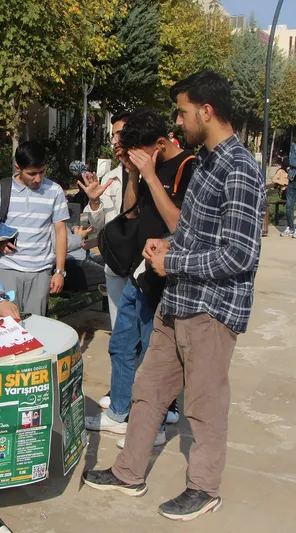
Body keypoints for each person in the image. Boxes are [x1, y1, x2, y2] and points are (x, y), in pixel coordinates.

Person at [82, 70, 266, 522]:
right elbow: (194, 229)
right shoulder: (205, 162)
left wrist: (175, 262)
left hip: (211, 311)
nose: (178, 122)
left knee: (203, 406)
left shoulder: (240, 168)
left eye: (183, 112)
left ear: (206, 110)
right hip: (177, 303)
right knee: (147, 390)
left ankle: (203, 488)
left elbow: (240, 255)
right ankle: (129, 473)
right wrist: (170, 245)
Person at [84, 109, 194, 438]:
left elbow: (178, 223)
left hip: (165, 279)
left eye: (139, 152)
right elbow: (132, 215)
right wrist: (135, 173)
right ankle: (119, 412)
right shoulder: (147, 167)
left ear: (160, 143)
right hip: (138, 272)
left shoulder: (188, 168)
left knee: (153, 355)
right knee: (120, 345)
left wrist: (150, 174)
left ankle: (154, 425)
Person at [0, 142, 69, 316]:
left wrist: (59, 271)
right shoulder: (2, 189)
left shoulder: (54, 191)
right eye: (31, 174)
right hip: (8, 269)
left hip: (41, 272)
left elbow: (60, 232)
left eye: (42, 172)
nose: (38, 179)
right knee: (8, 325)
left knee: (36, 325)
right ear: (18, 167)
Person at [78, 111, 131, 327]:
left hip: (145, 267)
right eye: (113, 136)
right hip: (116, 265)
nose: (116, 141)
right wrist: (94, 203)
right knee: (120, 327)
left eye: (121, 134)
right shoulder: (109, 179)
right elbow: (98, 226)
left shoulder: (152, 175)